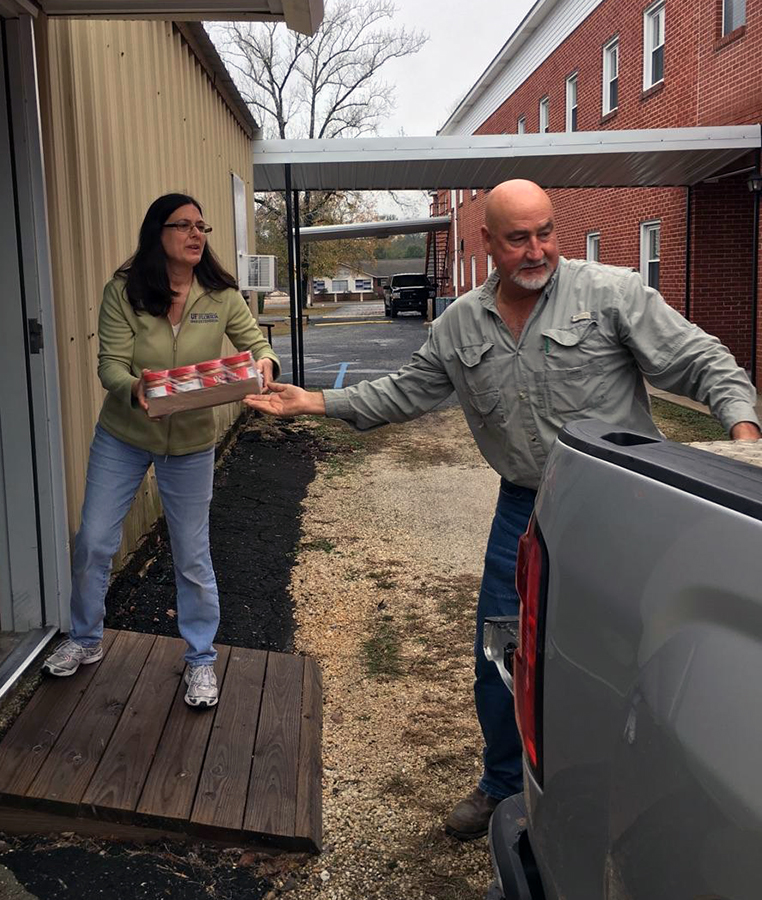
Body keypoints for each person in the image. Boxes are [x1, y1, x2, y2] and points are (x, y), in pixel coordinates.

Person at [243, 179, 760, 836]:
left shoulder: (612, 294)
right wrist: (313, 402)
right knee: (503, 654)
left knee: (639, 659)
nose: (538, 249)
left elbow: (703, 362)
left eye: (546, 231)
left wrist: (743, 438)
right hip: (527, 514)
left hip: (626, 505)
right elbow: (406, 392)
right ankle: (502, 784)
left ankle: (644, 802)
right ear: (485, 241)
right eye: (519, 237)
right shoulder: (460, 324)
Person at [42, 193, 279, 709]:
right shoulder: (123, 291)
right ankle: (84, 639)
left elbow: (256, 345)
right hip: (125, 436)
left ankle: (199, 660)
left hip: (191, 443)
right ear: (158, 234)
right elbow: (110, 365)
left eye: (202, 226)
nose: (197, 235)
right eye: (184, 226)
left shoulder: (220, 294)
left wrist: (266, 366)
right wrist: (137, 390)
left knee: (192, 556)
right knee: (95, 543)